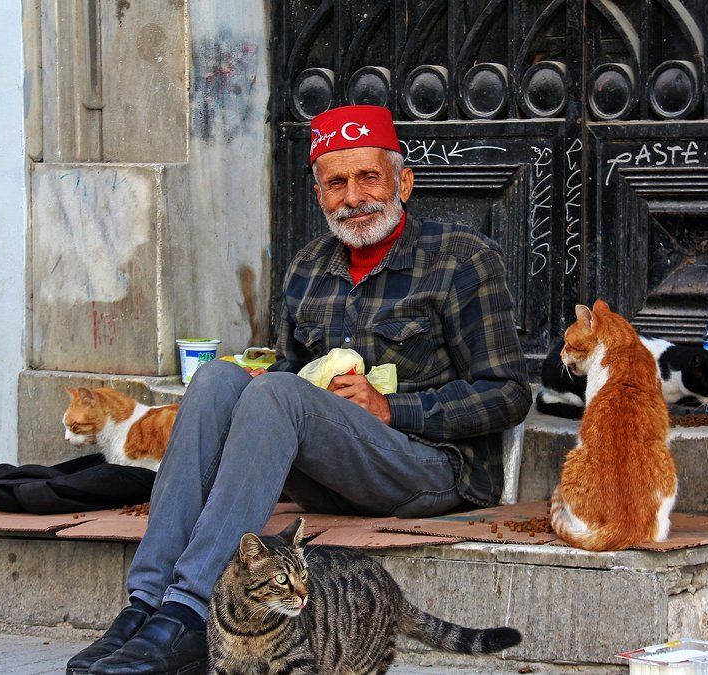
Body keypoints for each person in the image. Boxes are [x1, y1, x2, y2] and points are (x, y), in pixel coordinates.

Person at [69, 104, 533, 675]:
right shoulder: (308, 267)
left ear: (403, 182)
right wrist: (266, 379)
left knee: (276, 395)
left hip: (427, 470)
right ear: (319, 195)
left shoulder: (463, 259)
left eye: (369, 177)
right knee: (218, 379)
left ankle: (189, 613)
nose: (354, 197)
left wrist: (393, 408)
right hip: (329, 475)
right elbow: (288, 376)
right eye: (336, 183)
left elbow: (508, 394)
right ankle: (144, 605)